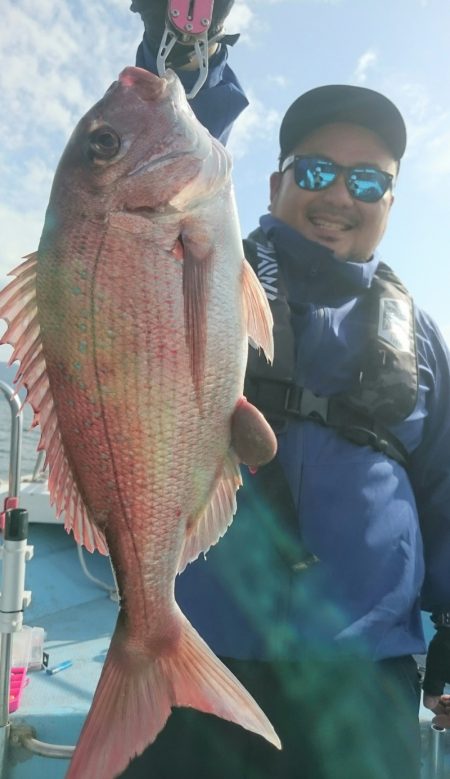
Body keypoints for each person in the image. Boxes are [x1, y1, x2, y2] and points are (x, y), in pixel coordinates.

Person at [121, 3, 450, 777]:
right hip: (201, 647)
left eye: (368, 180)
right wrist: (186, 45)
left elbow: (444, 493)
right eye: (316, 171)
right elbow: (162, 155)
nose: (340, 194)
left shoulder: (424, 335)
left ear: (390, 205)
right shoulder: (201, 260)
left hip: (364, 677)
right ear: (271, 183)